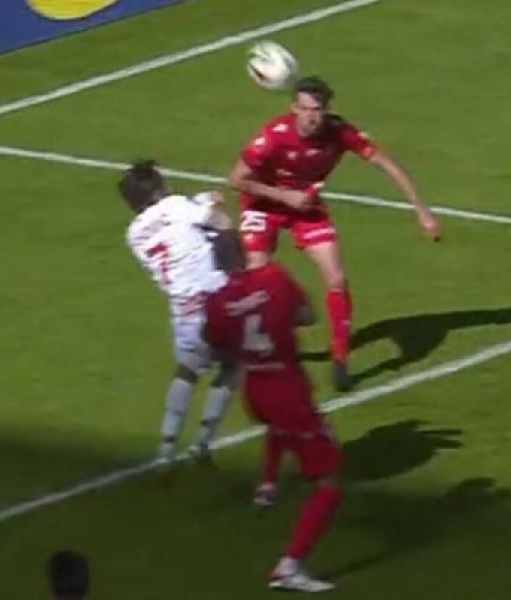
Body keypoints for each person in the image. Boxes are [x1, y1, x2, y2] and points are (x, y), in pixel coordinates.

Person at [229, 75, 441, 391]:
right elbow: (236, 179)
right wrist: (285, 196)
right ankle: (285, 318)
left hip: (306, 208)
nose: (311, 117)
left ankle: (340, 359)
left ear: (327, 110)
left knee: (337, 278)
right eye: (305, 109)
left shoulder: (339, 132)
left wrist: (421, 210)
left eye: (317, 110)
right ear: (294, 108)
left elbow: (387, 165)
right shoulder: (274, 136)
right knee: (259, 274)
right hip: (263, 205)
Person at [203, 238, 342, 593]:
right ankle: (289, 566)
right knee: (331, 480)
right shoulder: (274, 277)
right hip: (288, 389)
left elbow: (217, 351)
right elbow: (307, 315)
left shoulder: (216, 303)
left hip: (255, 388)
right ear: (243, 251)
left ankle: (267, 487)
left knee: (277, 427)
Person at [120, 160, 237, 466]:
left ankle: (167, 445)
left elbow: (173, 227)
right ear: (159, 188)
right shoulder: (176, 206)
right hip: (216, 297)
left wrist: (199, 202)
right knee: (232, 366)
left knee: (187, 370)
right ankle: (203, 442)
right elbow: (220, 222)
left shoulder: (133, 234)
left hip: (184, 309)